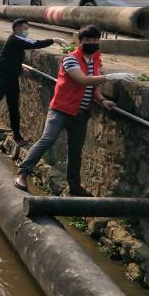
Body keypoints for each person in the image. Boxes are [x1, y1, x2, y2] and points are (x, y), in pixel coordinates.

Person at [14, 24, 135, 195]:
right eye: (88, 40)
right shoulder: (70, 59)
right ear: (80, 42)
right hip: (61, 110)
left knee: (75, 151)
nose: (92, 43)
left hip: (81, 113)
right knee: (47, 140)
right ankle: (22, 173)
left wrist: (101, 100)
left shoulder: (96, 59)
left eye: (95, 40)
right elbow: (83, 80)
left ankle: (74, 186)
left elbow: (94, 85)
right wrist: (110, 77)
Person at [0, 19, 66, 147]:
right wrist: (54, 40)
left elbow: (11, 59)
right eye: (24, 28)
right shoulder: (15, 40)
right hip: (1, 78)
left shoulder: (17, 42)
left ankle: (17, 136)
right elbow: (34, 43)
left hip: (12, 80)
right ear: (16, 28)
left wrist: (20, 68)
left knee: (14, 108)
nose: (26, 31)